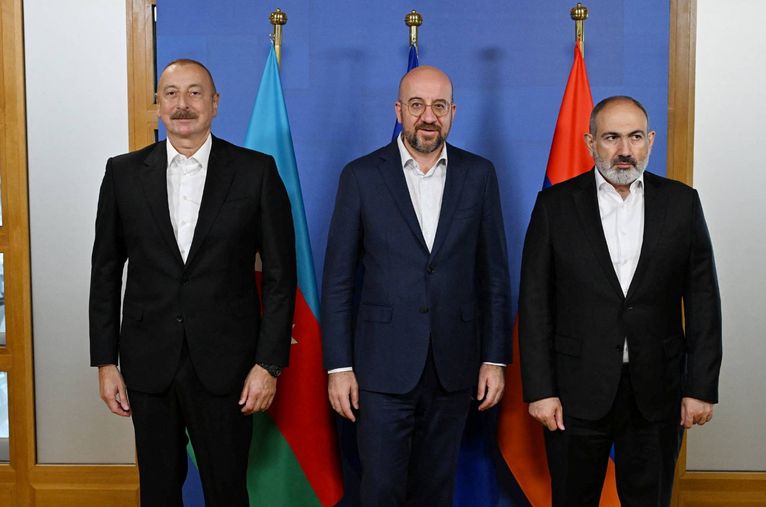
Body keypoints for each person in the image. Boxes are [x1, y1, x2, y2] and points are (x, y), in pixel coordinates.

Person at [89, 59, 296, 506]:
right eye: (171, 93)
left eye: (195, 92)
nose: (183, 104)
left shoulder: (256, 172)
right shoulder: (122, 174)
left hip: (229, 366)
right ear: (158, 104)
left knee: (227, 491)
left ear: (215, 103)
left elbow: (281, 276)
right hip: (147, 363)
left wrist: (269, 365)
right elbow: (105, 271)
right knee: (158, 492)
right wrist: (105, 362)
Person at [321, 65, 512, 506]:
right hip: (380, 368)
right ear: (399, 110)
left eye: (439, 106)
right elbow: (338, 280)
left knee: (436, 491)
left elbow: (494, 276)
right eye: (417, 105)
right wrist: (338, 366)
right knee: (381, 491)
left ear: (452, 112)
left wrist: (494, 359)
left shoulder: (479, 174)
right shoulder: (361, 176)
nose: (429, 116)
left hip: (454, 366)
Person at [519, 95, 722, 506]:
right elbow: (535, 304)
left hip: (657, 391)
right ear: (590, 143)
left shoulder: (682, 203)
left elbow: (703, 300)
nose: (624, 150)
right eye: (611, 137)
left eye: (634, 137)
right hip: (575, 392)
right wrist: (540, 391)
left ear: (650, 141)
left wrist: (701, 386)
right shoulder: (555, 206)